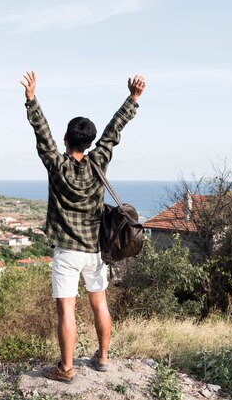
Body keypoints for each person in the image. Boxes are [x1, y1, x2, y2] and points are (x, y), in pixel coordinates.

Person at [20, 71, 145, 383]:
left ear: (66, 140)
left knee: (67, 311)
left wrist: (32, 99)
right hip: (94, 250)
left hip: (67, 252)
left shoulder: (57, 165)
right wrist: (133, 98)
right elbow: (114, 131)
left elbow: (42, 134)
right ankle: (102, 357)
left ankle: (66, 368)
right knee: (99, 302)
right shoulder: (98, 161)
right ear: (89, 144)